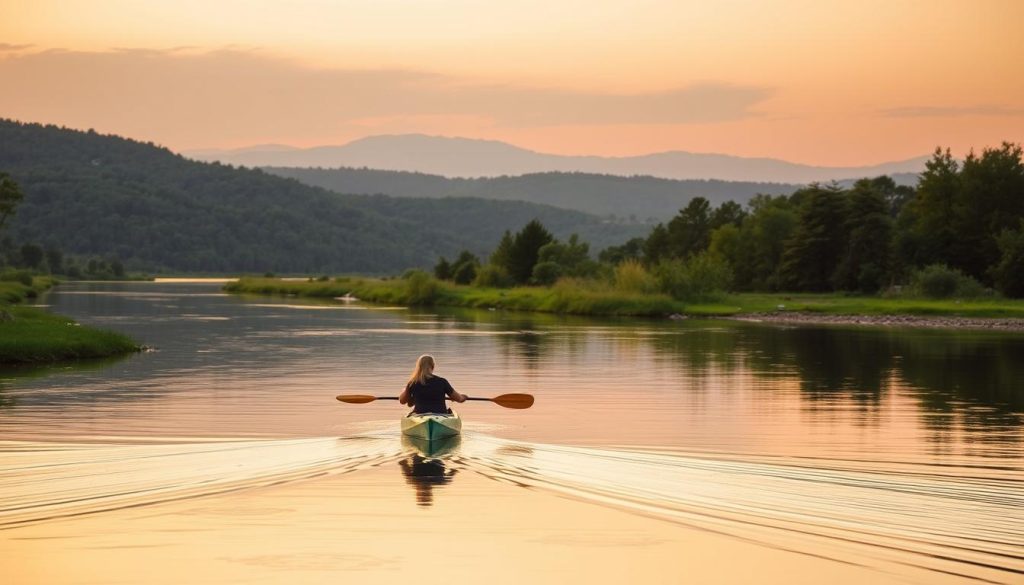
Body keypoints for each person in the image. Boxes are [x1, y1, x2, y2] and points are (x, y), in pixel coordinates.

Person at [399, 354, 466, 414]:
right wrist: (464, 397)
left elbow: (402, 401)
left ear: (419, 366)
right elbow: (459, 399)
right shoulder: (442, 382)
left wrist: (405, 391)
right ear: (433, 366)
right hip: (440, 414)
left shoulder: (412, 383)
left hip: (419, 414)